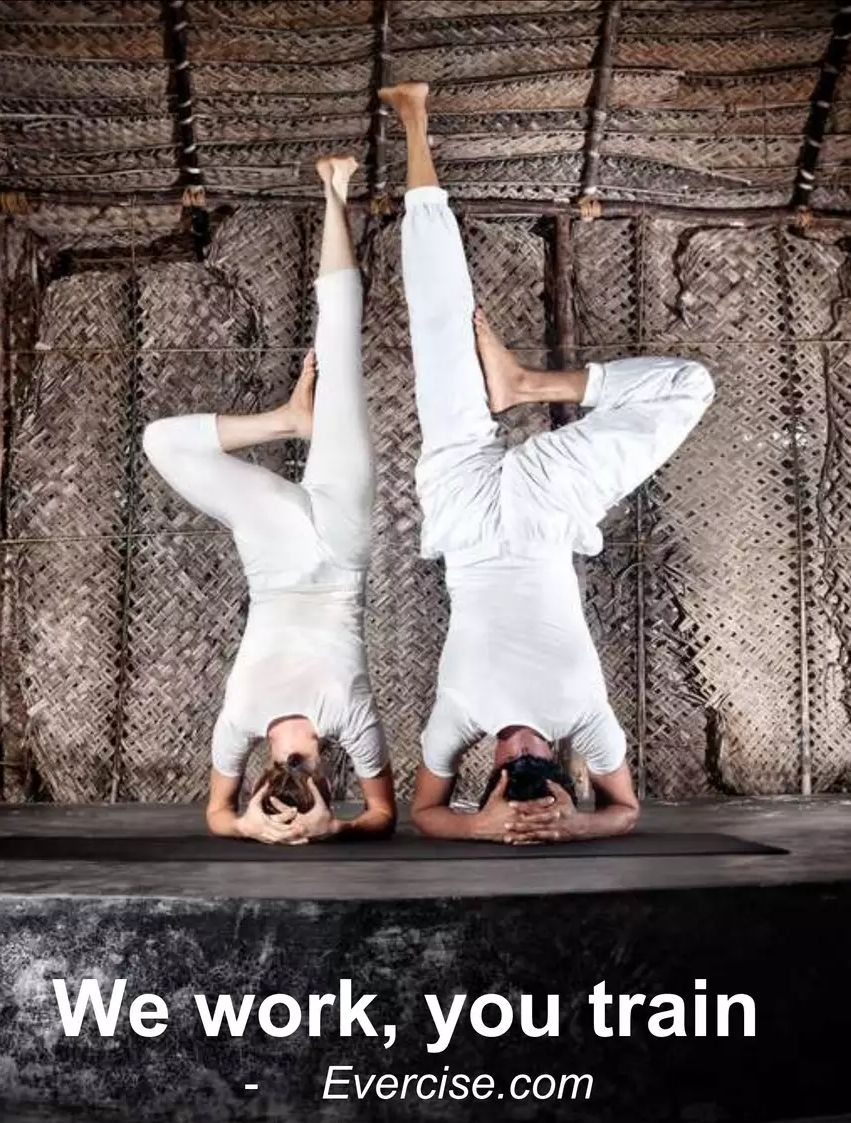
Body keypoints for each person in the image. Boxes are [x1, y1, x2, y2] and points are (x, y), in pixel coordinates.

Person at [377, 81, 715, 845]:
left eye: (509, 771)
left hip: (463, 512)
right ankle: (526, 384)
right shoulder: (587, 721)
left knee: (440, 327)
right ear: (564, 770)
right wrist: (575, 827)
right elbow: (626, 811)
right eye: (541, 768)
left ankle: (414, 120)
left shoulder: (457, 722)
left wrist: (483, 827)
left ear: (490, 771)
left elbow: (424, 814)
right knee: (689, 386)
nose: (522, 756)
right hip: (544, 512)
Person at [140, 156, 395, 845]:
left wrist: (249, 828)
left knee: (161, 441)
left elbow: (214, 815)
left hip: (276, 555)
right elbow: (384, 816)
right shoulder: (350, 726)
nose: (292, 789)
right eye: (303, 796)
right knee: (339, 346)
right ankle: (335, 190)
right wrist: (334, 830)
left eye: (276, 797)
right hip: (342, 547)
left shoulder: (239, 726)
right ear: (326, 783)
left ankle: (286, 420)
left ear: (260, 781)